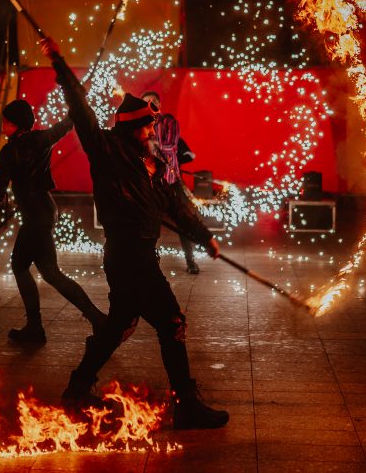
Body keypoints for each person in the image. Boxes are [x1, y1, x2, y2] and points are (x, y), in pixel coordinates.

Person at [40, 37, 230, 430]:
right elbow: (81, 110)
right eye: (148, 125)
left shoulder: (154, 163)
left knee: (117, 327)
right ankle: (187, 405)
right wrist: (58, 61)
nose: (153, 130)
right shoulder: (107, 150)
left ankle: (76, 389)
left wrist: (203, 235)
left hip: (139, 255)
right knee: (172, 322)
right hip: (129, 256)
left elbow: (177, 204)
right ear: (134, 128)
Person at [0, 99, 107, 344]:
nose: (3, 125)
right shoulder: (42, 139)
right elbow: (67, 124)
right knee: (48, 272)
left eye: (6, 122)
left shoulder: (9, 152)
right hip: (45, 211)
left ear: (16, 125)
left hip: (35, 218)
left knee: (25, 267)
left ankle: (39, 328)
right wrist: (76, 104)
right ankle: (93, 320)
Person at [141, 90, 202, 274]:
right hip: (151, 182)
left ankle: (191, 261)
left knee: (183, 221)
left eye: (153, 102)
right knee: (149, 224)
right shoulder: (139, 126)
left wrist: (152, 145)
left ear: (159, 105)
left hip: (171, 180)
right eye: (146, 103)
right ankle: (148, 262)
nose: (150, 105)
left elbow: (171, 146)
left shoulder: (169, 122)